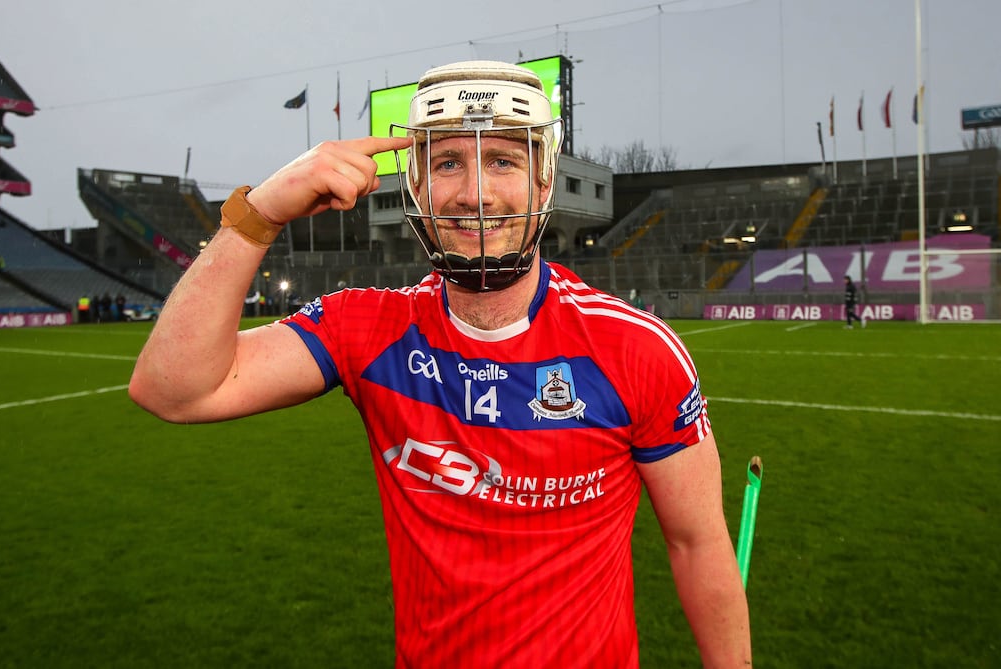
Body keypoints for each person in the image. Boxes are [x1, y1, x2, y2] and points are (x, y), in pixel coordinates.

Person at [129, 60, 750, 667]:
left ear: (542, 183)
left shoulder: (636, 348)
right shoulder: (366, 330)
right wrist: (257, 215)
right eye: (448, 161)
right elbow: (173, 390)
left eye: (502, 160)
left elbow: (697, 544)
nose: (475, 193)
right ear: (417, 188)